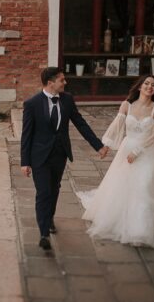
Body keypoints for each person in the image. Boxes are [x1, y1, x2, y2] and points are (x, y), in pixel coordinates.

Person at [78, 75, 154, 247]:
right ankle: (121, 218)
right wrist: (106, 146)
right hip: (127, 148)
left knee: (144, 185)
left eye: (153, 85)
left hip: (147, 151)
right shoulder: (127, 105)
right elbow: (116, 127)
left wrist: (137, 151)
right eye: (146, 83)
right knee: (123, 184)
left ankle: (141, 230)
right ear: (139, 87)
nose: (149, 87)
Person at [21, 67, 109, 251]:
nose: (65, 82)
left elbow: (80, 124)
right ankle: (44, 233)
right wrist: (25, 162)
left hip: (60, 154)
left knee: (54, 189)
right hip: (39, 156)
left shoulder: (67, 100)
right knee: (43, 192)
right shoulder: (32, 104)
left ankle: (49, 217)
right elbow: (26, 135)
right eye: (62, 80)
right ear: (50, 83)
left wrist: (98, 145)